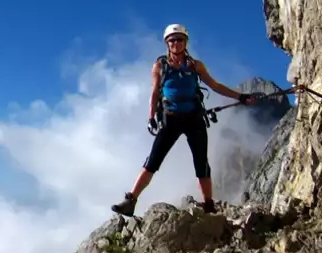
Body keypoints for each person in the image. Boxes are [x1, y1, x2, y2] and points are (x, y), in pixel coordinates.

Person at [111, 23, 259, 217]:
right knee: (152, 161)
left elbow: (215, 86)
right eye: (172, 40)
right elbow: (155, 92)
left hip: (194, 119)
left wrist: (240, 97)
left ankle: (208, 205)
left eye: (179, 39)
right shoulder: (159, 66)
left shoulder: (195, 66)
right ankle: (130, 200)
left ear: (185, 42)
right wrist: (150, 117)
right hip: (170, 119)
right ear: (167, 43)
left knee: (201, 164)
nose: (175, 43)